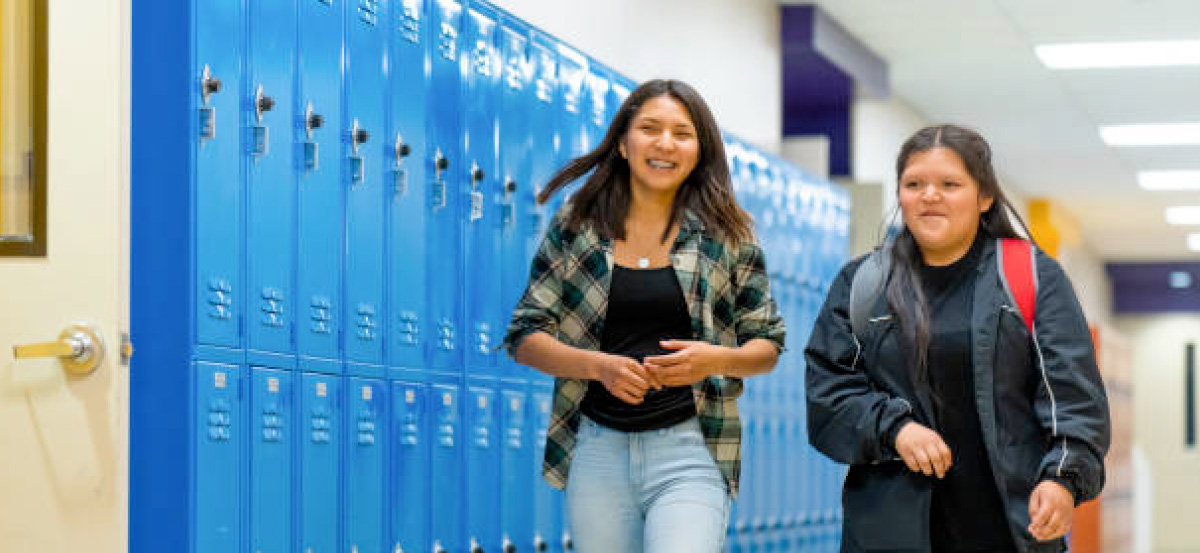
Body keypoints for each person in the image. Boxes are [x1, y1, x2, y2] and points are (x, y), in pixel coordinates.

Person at [501, 79, 786, 553]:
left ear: (700, 149)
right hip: (597, 448)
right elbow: (525, 334)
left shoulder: (729, 234)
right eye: (650, 128)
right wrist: (599, 366)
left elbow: (766, 345)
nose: (665, 144)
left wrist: (711, 360)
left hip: (691, 449)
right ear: (623, 143)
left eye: (682, 133)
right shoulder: (578, 225)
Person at [805, 124, 1110, 552]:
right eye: (914, 184)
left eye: (949, 184)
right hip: (891, 533)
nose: (930, 195)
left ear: (984, 197)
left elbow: (1073, 399)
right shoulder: (863, 284)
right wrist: (895, 428)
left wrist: (1062, 479)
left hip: (1010, 530)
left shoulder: (1031, 277)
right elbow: (828, 394)